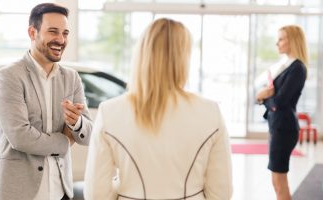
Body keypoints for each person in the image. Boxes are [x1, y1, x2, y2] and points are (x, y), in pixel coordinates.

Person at [83, 18, 233, 200]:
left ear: (141, 54)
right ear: (184, 57)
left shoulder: (110, 111)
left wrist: (124, 186)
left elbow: (96, 193)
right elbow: (221, 192)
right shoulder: (210, 111)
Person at [0, 3, 92, 200]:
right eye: (53, 32)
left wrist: (77, 123)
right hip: (17, 192)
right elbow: (21, 137)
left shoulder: (71, 77)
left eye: (65, 33)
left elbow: (89, 133)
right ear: (32, 33)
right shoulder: (8, 77)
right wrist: (65, 140)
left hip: (60, 191)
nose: (61, 40)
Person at [256, 25, 308, 200]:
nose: (277, 43)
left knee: (279, 180)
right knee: (276, 179)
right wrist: (264, 96)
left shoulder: (297, 68)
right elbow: (274, 99)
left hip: (284, 129)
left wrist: (263, 97)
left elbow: (279, 101)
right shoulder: (286, 66)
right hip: (278, 126)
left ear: (292, 41)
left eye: (281, 39)